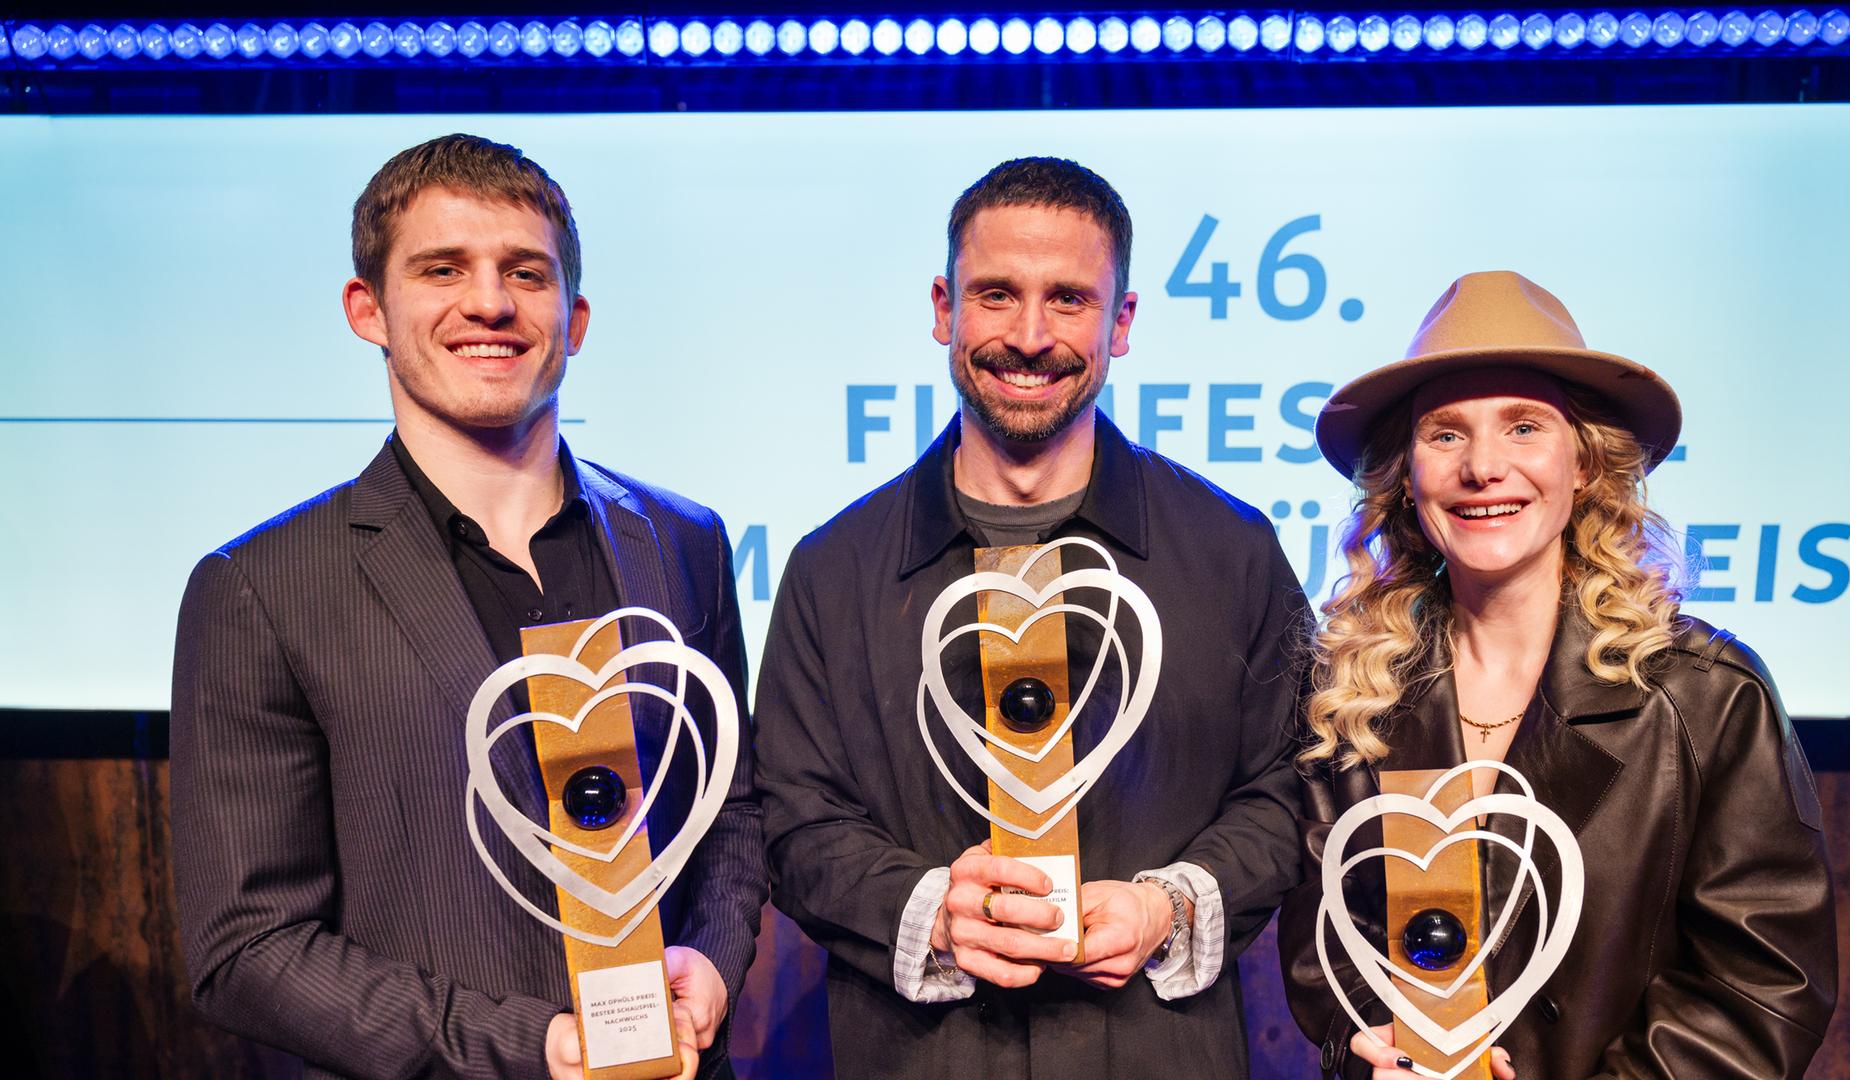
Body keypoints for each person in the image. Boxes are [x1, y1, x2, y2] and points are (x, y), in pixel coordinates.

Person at [171, 134, 765, 1080]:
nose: (489, 302)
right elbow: (247, 950)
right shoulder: (261, 588)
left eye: (524, 273)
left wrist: (714, 958)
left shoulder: (683, 541)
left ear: (573, 318)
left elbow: (730, 810)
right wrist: (529, 1045)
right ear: (368, 309)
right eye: (443, 269)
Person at [754, 157, 1311, 1078]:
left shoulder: (1233, 552)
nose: (1029, 335)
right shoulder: (832, 568)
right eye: (996, 295)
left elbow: (1288, 794)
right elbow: (794, 821)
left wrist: (1167, 907)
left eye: (1069, 299)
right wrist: (930, 909)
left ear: (1120, 322)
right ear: (943, 308)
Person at [1278, 271, 1837, 1079]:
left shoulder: (1706, 695)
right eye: (1444, 434)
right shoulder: (1355, 694)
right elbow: (1325, 947)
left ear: (1584, 465)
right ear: (1407, 475)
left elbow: (1763, 988)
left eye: (1524, 427)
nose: (1482, 467)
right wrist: (1368, 1045)